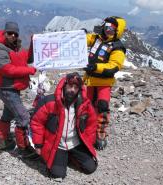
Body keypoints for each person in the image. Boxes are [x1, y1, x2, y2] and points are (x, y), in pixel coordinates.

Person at [30, 72, 98, 179]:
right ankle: (61, 157)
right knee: (58, 174)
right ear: (64, 85)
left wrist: (89, 141)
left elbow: (92, 124)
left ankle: (69, 156)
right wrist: (38, 145)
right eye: (70, 86)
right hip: (57, 144)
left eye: (76, 87)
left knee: (91, 168)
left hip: (75, 143)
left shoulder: (84, 104)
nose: (72, 90)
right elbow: (37, 123)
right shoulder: (49, 102)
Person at [0, 21, 37, 158]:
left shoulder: (15, 47)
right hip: (6, 88)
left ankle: (1, 140)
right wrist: (29, 70)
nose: (13, 36)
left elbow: (27, 57)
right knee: (23, 117)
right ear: (4, 33)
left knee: (8, 114)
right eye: (10, 33)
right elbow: (7, 70)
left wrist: (34, 44)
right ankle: (24, 149)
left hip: (13, 88)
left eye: (15, 34)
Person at [83, 16, 127, 150]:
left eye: (112, 29)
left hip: (103, 82)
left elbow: (114, 66)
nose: (108, 30)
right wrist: (79, 36)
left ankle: (100, 134)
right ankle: (84, 130)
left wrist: (96, 67)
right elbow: (85, 39)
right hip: (90, 80)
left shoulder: (117, 47)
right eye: (107, 26)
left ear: (117, 31)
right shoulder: (97, 38)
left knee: (102, 107)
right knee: (86, 105)